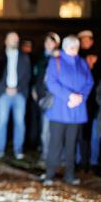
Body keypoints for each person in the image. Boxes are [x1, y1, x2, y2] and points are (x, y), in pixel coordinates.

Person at [42, 35, 94, 186]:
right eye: (72, 47)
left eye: (76, 47)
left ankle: (69, 174)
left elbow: (89, 82)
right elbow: (51, 83)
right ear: (65, 47)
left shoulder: (82, 63)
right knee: (55, 144)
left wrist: (81, 98)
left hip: (76, 111)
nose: (75, 51)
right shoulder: (55, 61)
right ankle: (50, 174)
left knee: (72, 144)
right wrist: (69, 96)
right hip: (59, 110)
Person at [0, 31, 31, 160]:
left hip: (19, 94)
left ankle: (18, 150)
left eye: (16, 39)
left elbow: (27, 77)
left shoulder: (24, 57)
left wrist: (17, 89)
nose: (14, 41)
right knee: (1, 122)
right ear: (6, 41)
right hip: (3, 94)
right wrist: (5, 89)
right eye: (12, 39)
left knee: (20, 123)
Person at [32, 32, 61, 165]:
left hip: (56, 97)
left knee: (55, 129)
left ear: (56, 44)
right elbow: (36, 75)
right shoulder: (40, 58)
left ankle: (57, 157)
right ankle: (45, 155)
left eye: (51, 42)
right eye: (47, 42)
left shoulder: (60, 57)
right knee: (44, 129)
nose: (49, 44)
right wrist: (34, 88)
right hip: (42, 97)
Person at [75, 30, 99, 171]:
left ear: (91, 41)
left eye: (87, 40)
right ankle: (80, 160)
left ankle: (93, 162)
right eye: (82, 40)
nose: (85, 42)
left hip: (95, 102)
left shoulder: (97, 58)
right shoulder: (77, 58)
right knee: (80, 134)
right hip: (81, 101)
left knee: (94, 134)